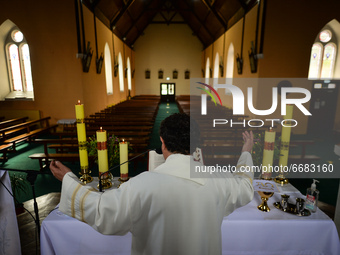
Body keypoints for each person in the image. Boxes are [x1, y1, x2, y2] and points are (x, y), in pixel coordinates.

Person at [50, 113, 254, 255]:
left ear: (162, 142)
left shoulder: (142, 184)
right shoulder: (218, 180)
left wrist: (69, 179)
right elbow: (245, 186)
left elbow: (102, 211)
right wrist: (246, 151)